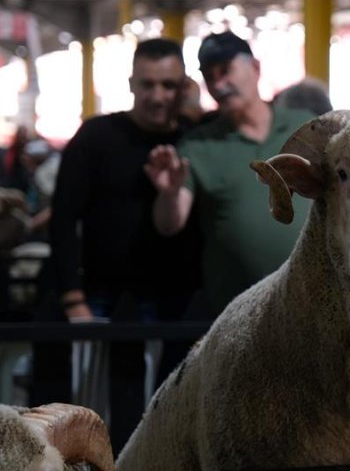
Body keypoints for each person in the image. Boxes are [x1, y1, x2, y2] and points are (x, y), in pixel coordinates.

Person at [146, 31, 315, 316]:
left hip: (314, 304)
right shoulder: (198, 146)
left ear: (256, 68)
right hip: (238, 316)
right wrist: (170, 193)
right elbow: (169, 224)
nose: (218, 84)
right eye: (210, 76)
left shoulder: (306, 128)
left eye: (226, 71)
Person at [50, 37, 201, 322]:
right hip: (103, 298)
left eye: (168, 85)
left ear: (183, 87)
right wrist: (73, 299)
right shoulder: (95, 137)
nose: (157, 96)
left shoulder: (196, 138)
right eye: (147, 84)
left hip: (179, 299)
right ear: (132, 84)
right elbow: (63, 219)